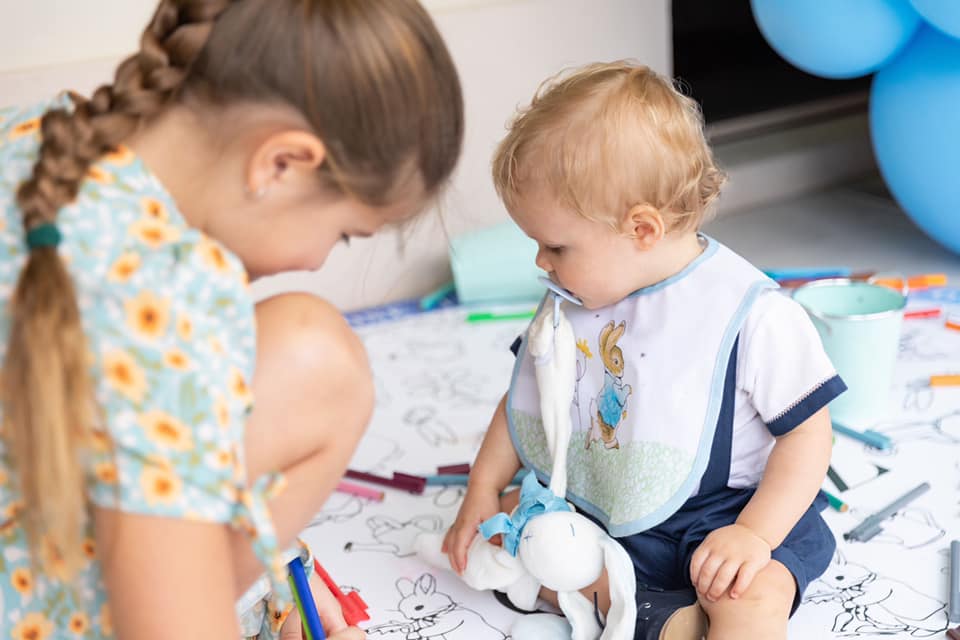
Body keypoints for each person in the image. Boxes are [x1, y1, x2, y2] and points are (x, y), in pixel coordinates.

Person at [0, 1, 463, 638]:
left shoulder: (39, 133)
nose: (317, 259)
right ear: (282, 162)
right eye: (344, 234)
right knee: (322, 357)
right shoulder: (177, 294)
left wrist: (278, 564)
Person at [442, 61, 843, 640]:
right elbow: (522, 404)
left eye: (554, 245)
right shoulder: (573, 298)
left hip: (735, 511)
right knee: (508, 530)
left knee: (754, 589)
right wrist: (481, 491)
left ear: (642, 230)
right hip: (614, 504)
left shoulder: (752, 315)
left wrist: (755, 534)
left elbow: (808, 435)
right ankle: (671, 622)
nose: (540, 263)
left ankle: (696, 618)